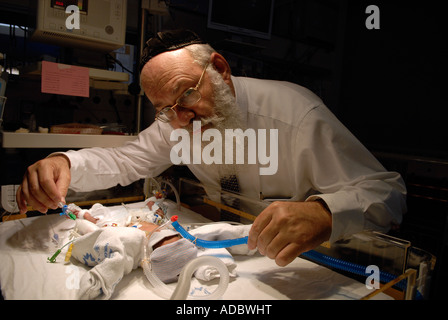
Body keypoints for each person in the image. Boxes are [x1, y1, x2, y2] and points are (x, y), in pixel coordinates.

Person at [16, 29, 406, 268]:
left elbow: (388, 194)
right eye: (166, 109)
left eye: (187, 93)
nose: (182, 118)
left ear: (220, 68)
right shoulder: (179, 119)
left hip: (303, 262)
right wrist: (64, 162)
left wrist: (323, 213)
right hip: (231, 256)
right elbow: (126, 159)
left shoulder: (297, 115)